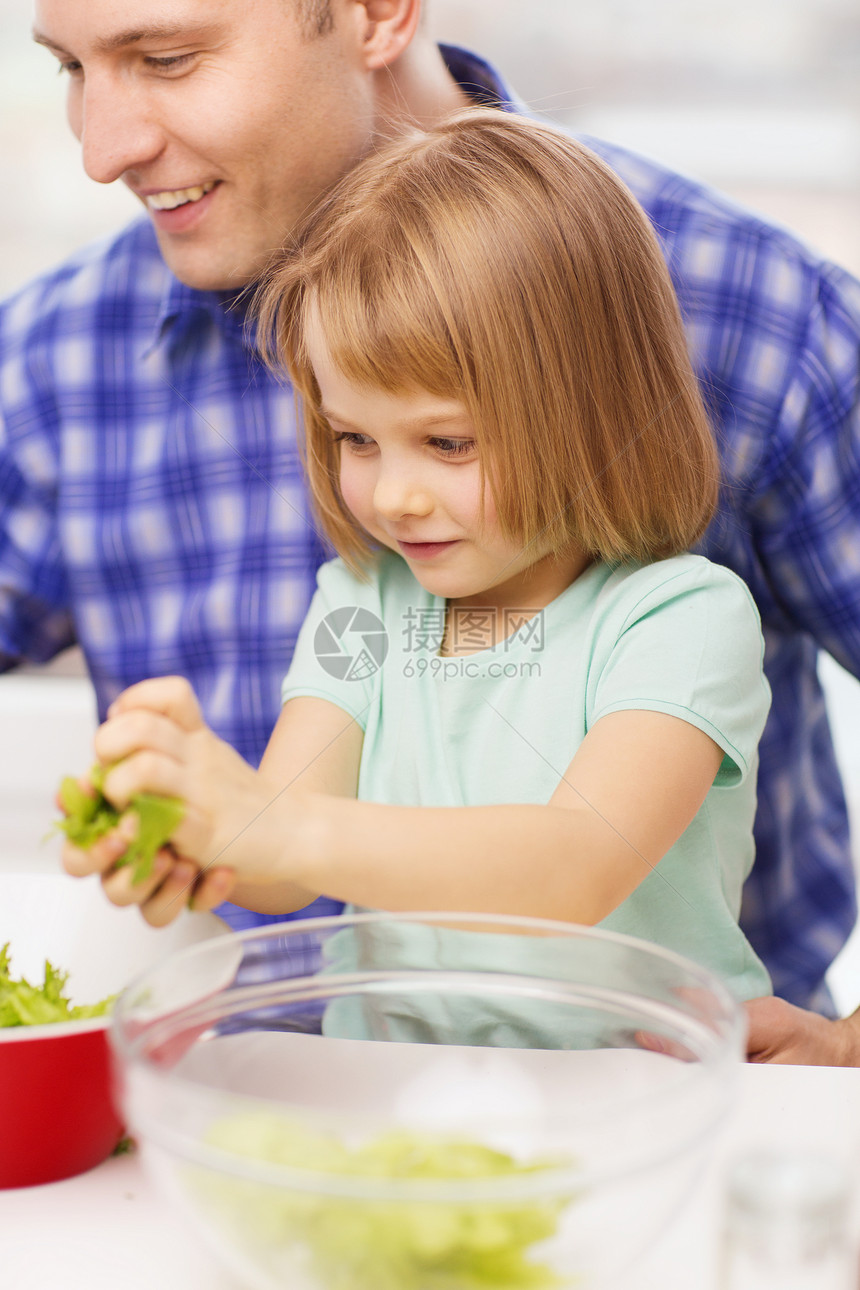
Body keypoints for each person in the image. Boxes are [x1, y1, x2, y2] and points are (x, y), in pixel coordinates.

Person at [4, 0, 860, 1048]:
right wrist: (190, 820)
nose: (393, 497)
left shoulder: (678, 616)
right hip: (384, 1113)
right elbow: (274, 855)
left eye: (446, 445)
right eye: (353, 441)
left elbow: (572, 866)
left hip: (646, 1112)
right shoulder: (363, 605)